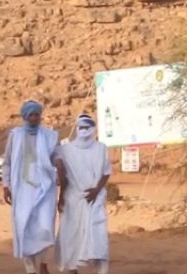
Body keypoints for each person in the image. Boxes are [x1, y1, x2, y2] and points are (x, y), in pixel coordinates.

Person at [3, 100, 61, 274]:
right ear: (25, 116)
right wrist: (6, 185)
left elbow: (57, 158)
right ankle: (30, 268)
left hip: (45, 188)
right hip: (22, 189)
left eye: (37, 114)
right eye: (31, 114)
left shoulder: (50, 136)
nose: (35, 118)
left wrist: (59, 168)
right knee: (24, 226)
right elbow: (7, 162)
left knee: (45, 227)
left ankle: (42, 262)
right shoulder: (16, 135)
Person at [56, 114, 111, 274]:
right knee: (71, 237)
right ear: (77, 128)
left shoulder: (101, 148)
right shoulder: (65, 150)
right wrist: (61, 198)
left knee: (98, 237)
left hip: (95, 199)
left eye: (87, 127)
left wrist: (96, 190)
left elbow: (106, 173)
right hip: (73, 199)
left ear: (93, 129)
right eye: (81, 127)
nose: (84, 131)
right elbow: (62, 176)